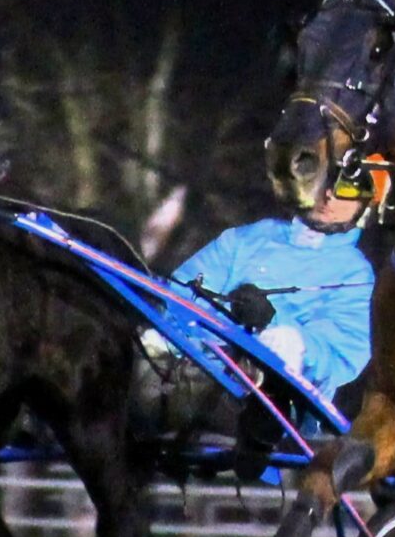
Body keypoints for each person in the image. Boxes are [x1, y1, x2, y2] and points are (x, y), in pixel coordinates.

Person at [157, 174, 378, 407]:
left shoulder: (355, 274)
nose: (329, 196)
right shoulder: (245, 238)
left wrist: (272, 327)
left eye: (347, 190)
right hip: (186, 372)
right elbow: (178, 297)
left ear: (366, 204)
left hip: (270, 409)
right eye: (324, 183)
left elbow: (338, 353)